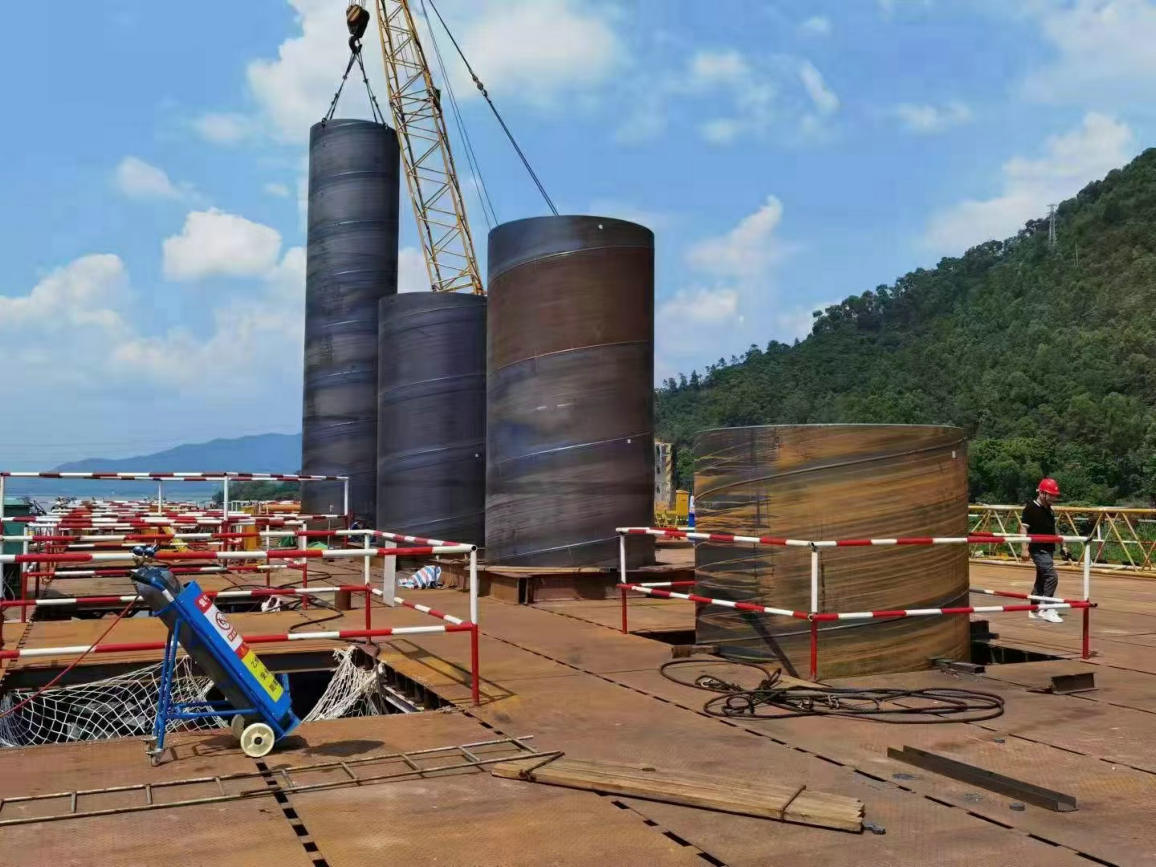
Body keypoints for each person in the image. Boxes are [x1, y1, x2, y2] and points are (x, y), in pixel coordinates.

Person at [1020, 478, 1069, 623]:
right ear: (1042, 493)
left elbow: (1054, 529)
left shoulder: (1049, 510)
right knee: (1051, 576)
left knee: (1041, 579)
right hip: (1037, 549)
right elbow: (1023, 528)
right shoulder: (1030, 508)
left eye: (1055, 495)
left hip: (1049, 548)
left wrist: (1063, 545)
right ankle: (1047, 608)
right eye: (1051, 495)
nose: (1054, 498)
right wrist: (1024, 549)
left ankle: (1034, 608)